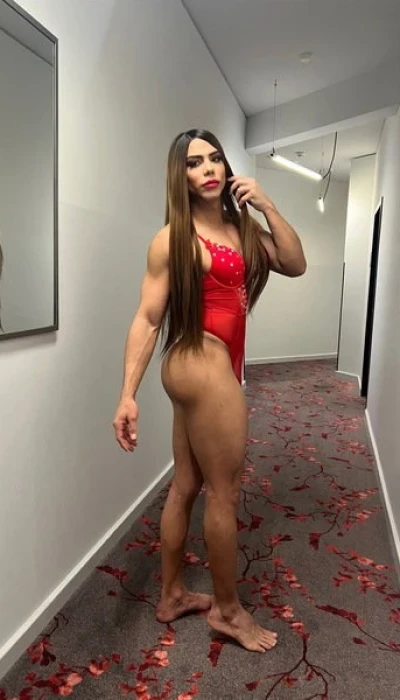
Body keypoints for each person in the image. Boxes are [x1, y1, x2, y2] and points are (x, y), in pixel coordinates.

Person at [113, 129, 306, 653]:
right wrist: (127, 394)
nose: (208, 169)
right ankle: (227, 610)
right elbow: (148, 318)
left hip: (197, 366)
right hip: (202, 363)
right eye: (195, 163)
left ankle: (172, 594)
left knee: (186, 485)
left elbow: (294, 262)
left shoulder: (240, 228)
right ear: (180, 176)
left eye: (215, 158)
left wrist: (266, 205)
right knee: (226, 491)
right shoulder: (173, 238)